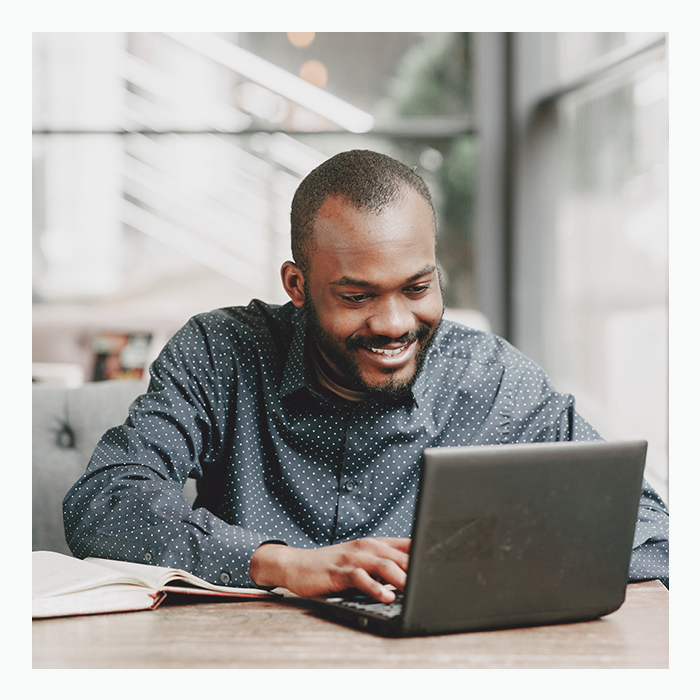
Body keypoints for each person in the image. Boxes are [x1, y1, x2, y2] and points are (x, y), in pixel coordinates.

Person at [63, 150, 669, 602]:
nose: (395, 323)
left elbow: (650, 532)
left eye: (418, 287)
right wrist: (281, 563)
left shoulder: (491, 379)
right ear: (296, 286)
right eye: (356, 296)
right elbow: (102, 502)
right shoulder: (221, 353)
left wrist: (483, 572)